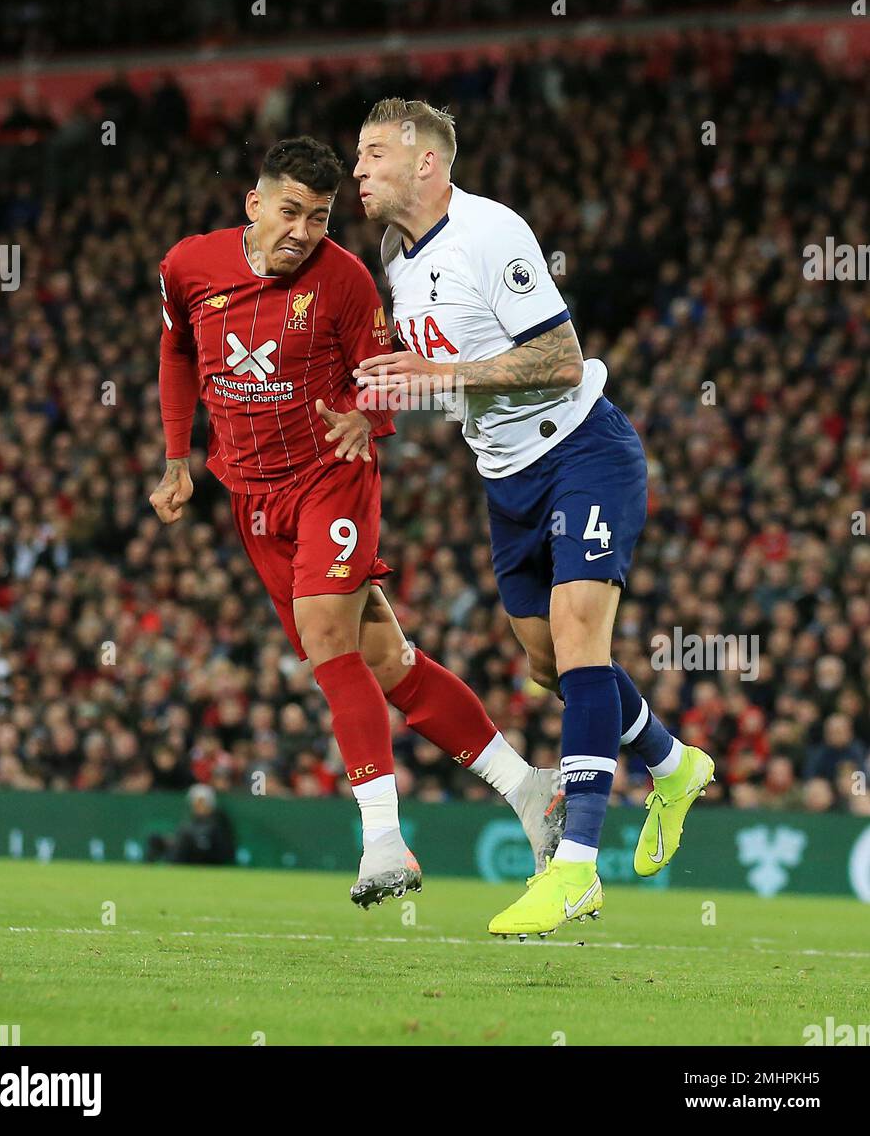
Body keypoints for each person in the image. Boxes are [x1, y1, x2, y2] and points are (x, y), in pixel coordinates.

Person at [149, 136, 564, 909]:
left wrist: (363, 415)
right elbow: (176, 351)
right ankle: (527, 789)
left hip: (331, 478)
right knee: (385, 662)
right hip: (251, 494)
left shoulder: (343, 279)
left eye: (320, 215)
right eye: (290, 211)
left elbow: (387, 373)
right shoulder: (189, 267)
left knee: (329, 643)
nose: (303, 229)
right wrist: (177, 458)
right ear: (254, 204)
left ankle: (382, 840)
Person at [353, 99, 714, 937]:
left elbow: (557, 359)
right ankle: (672, 762)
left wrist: (440, 381)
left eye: (374, 154)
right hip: (505, 476)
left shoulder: (492, 232)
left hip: (583, 447)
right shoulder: (393, 254)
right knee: (550, 664)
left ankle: (577, 867)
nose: (360, 170)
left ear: (427, 164)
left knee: (580, 637)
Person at [147, 784, 237, 865]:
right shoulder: (191, 820)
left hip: (207, 857)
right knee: (155, 838)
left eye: (201, 802)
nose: (197, 806)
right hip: (189, 853)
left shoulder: (219, 820)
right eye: (195, 803)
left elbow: (222, 847)